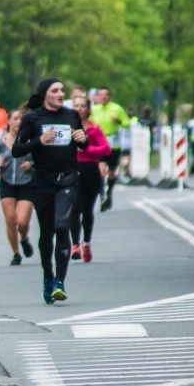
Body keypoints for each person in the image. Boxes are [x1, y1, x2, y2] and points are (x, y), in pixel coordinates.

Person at [13, 78, 88, 304]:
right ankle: (48, 277)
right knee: (47, 234)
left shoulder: (71, 115)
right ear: (45, 94)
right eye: (55, 90)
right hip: (43, 182)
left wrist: (83, 139)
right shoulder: (32, 118)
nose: (60, 94)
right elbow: (17, 149)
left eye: (62, 90)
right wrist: (39, 140)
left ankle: (60, 282)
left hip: (67, 179)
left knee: (62, 225)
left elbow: (83, 142)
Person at [0, 108, 35, 265]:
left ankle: (24, 238)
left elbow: (41, 160)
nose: (19, 122)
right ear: (8, 121)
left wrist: (32, 165)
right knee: (10, 219)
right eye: (15, 118)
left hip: (26, 183)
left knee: (22, 222)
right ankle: (16, 253)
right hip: (7, 183)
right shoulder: (0, 143)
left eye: (21, 119)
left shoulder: (29, 141)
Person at [70, 96, 111, 262]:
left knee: (87, 209)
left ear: (88, 109)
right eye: (76, 106)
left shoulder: (94, 128)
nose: (79, 109)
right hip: (73, 169)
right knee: (75, 207)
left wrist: (87, 148)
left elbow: (106, 148)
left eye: (82, 106)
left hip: (91, 169)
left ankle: (86, 242)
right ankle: (75, 245)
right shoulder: (68, 128)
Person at [90, 86, 129, 211]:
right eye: (101, 95)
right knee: (101, 170)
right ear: (98, 96)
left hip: (113, 145)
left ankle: (109, 192)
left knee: (111, 172)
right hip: (99, 144)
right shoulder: (94, 110)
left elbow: (127, 123)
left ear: (110, 96)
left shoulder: (116, 108)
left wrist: (118, 121)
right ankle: (102, 196)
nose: (103, 97)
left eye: (106, 94)